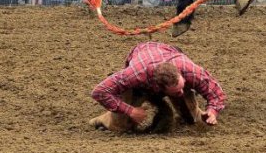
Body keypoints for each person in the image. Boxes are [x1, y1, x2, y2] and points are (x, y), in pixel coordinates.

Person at [90, 42, 227, 132]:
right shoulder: (135, 75)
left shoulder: (189, 70)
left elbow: (216, 92)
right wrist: (130, 110)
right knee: (121, 126)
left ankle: (196, 111)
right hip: (141, 71)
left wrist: (212, 111)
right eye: (176, 91)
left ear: (180, 75)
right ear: (161, 88)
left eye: (182, 86)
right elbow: (99, 91)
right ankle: (104, 119)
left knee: (193, 119)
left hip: (164, 54)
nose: (180, 93)